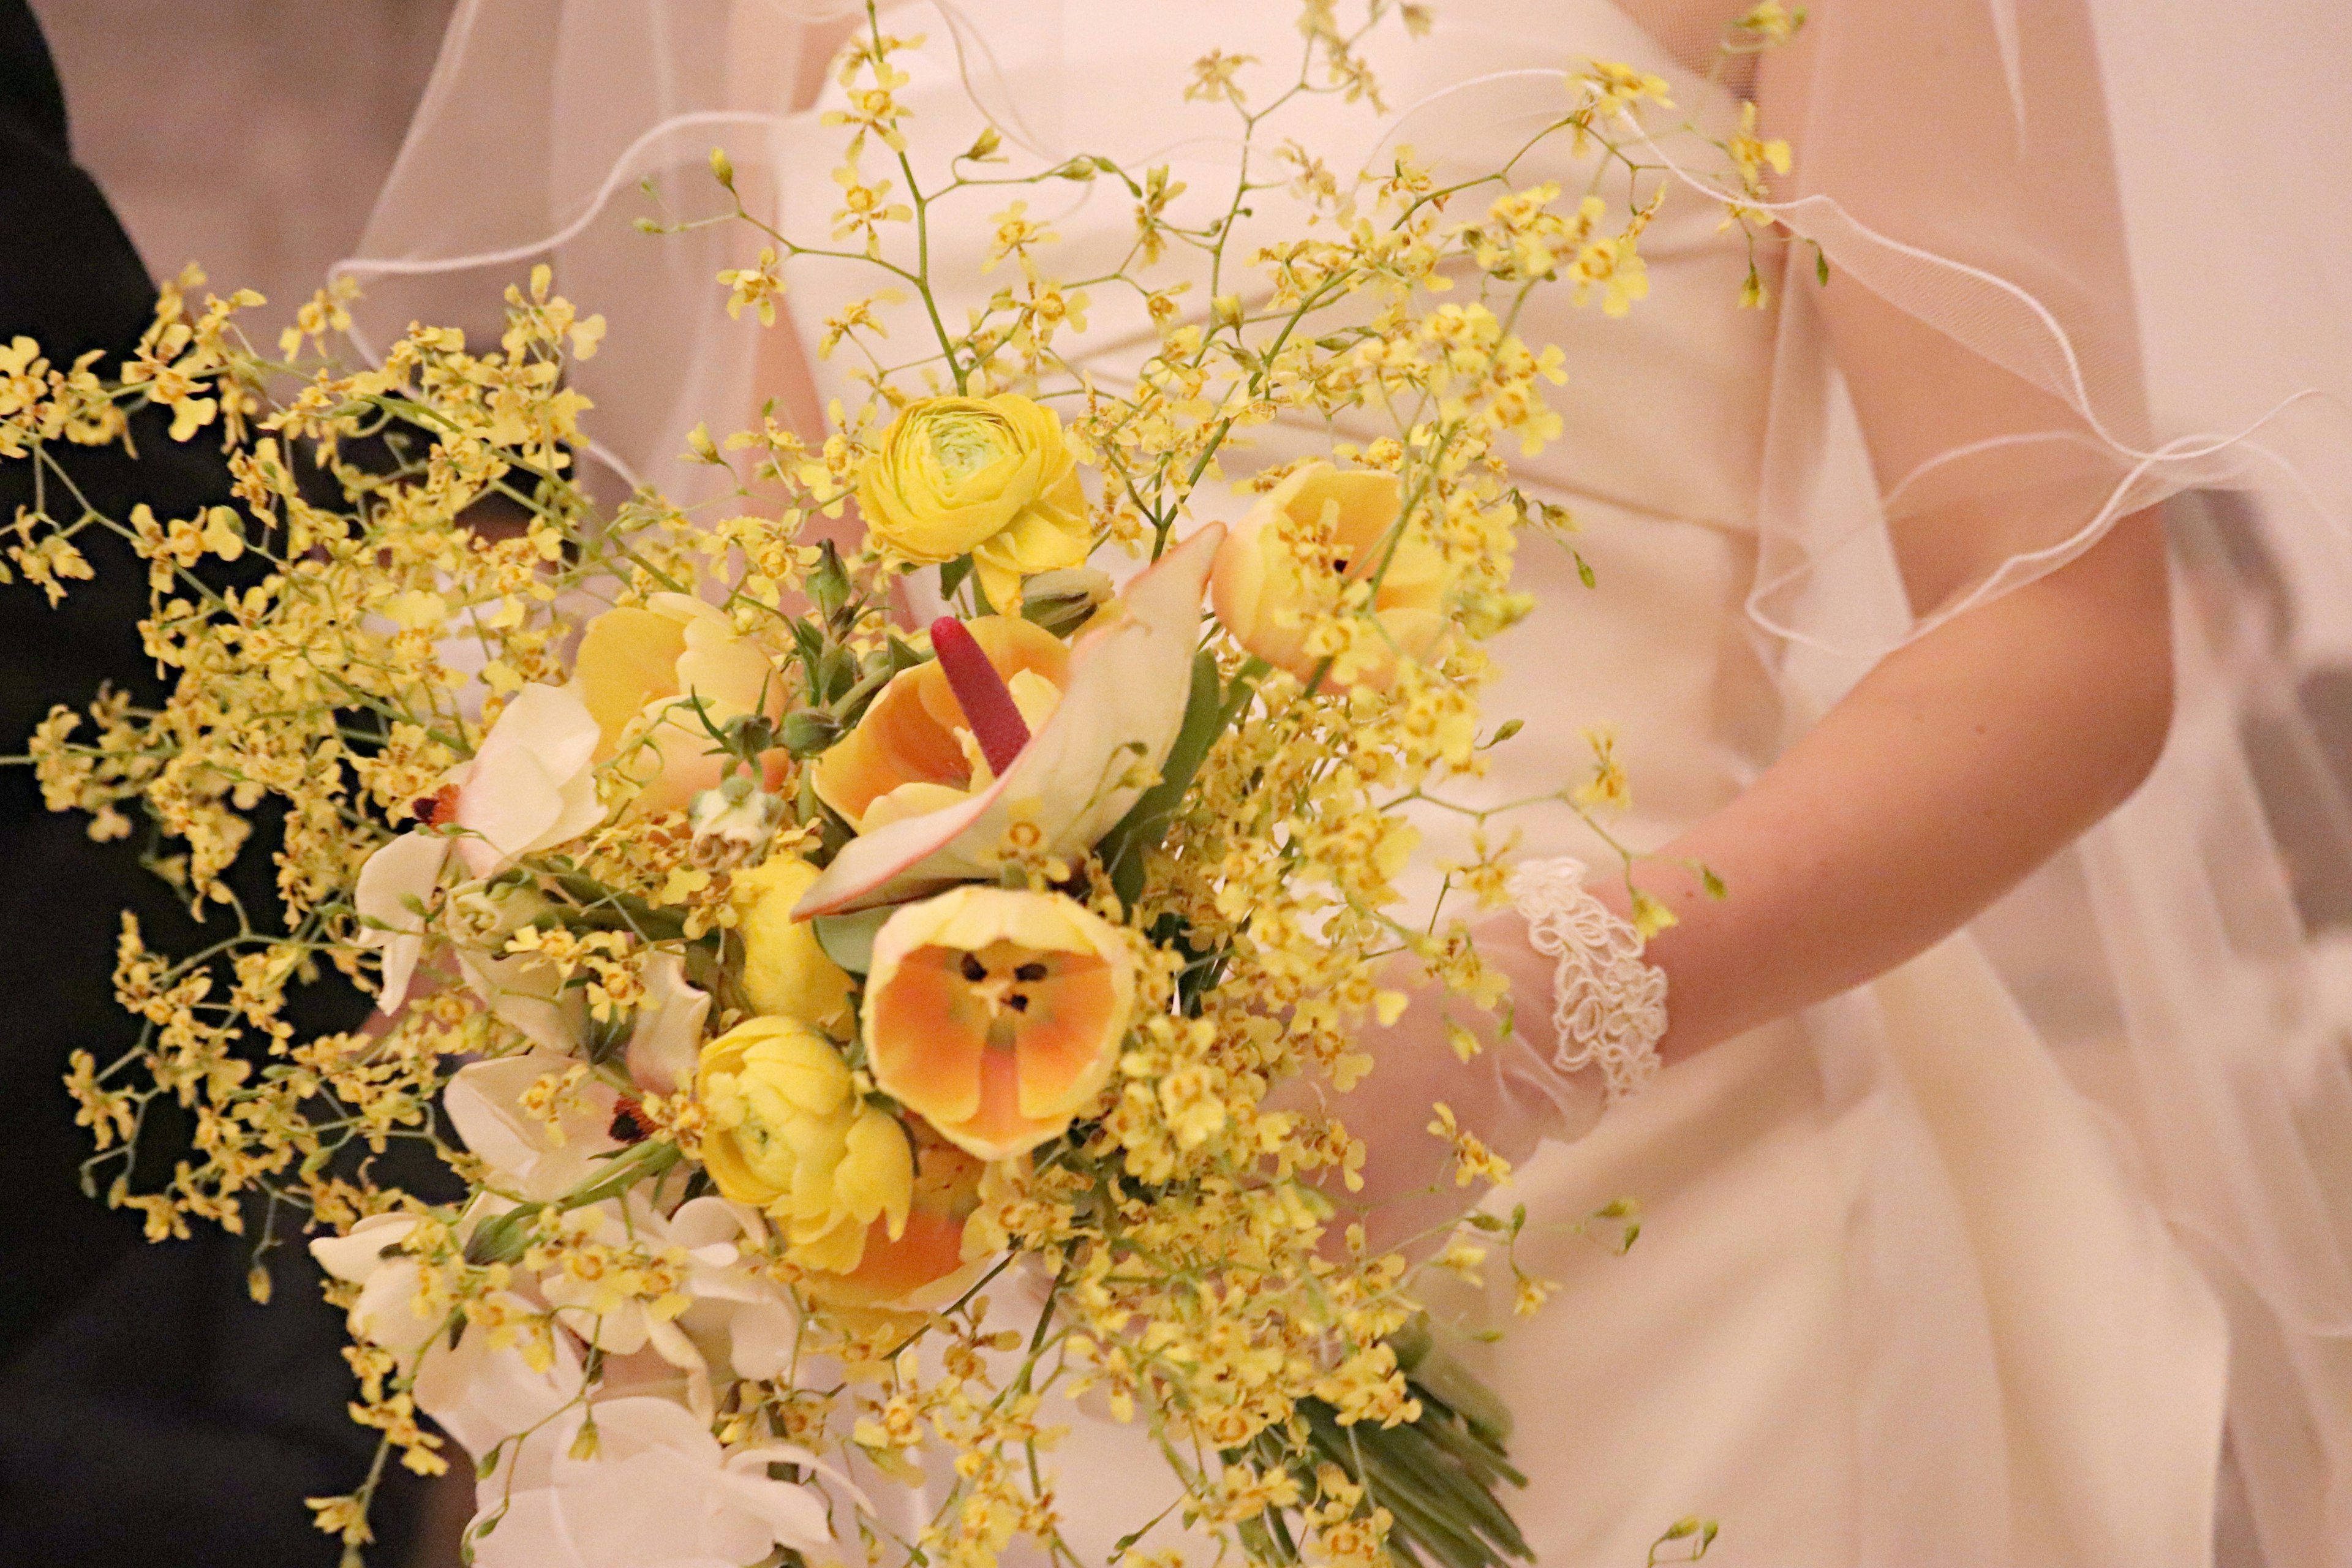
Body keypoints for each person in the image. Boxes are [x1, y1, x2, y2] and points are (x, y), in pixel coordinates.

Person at [341, 1, 2352, 1563]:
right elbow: (799, 628)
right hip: (991, 1253)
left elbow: (2065, 640)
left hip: (1625, 1229)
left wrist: (1516, 1032)